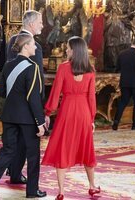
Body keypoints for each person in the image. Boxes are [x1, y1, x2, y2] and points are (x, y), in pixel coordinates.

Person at [0, 33, 47, 200]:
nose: (35, 47)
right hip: (27, 119)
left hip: (8, 116)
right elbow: (33, 97)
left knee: (7, 151)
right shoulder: (32, 67)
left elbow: (2, 92)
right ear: (25, 47)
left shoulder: (8, 66)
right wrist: (40, 121)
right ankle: (32, 191)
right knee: (32, 155)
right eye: (33, 44)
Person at [42, 36, 100, 199]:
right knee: (87, 149)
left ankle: (61, 191)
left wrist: (48, 112)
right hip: (84, 113)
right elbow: (91, 98)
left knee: (63, 148)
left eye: (67, 48)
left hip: (67, 111)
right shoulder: (90, 70)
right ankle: (92, 186)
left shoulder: (63, 68)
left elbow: (55, 94)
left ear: (74, 50)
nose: (66, 50)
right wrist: (92, 119)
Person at [5, 10, 45, 185]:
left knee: (17, 140)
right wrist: (40, 104)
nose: (42, 25)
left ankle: (14, 172)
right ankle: (17, 174)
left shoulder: (11, 41)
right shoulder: (32, 45)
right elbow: (37, 76)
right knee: (27, 141)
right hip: (29, 99)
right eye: (40, 22)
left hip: (12, 100)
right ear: (31, 24)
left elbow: (4, 67)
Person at [112, 36, 135, 131]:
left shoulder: (122, 54)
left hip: (124, 83)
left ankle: (116, 121)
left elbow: (117, 68)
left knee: (123, 102)